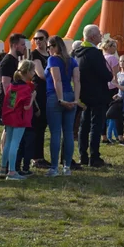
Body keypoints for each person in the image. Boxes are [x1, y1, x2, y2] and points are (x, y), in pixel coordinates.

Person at [72, 25, 113, 168]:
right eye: (99, 34)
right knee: (96, 125)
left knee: (84, 124)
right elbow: (105, 74)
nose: (101, 36)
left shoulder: (77, 52)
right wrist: (110, 74)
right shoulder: (94, 53)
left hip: (84, 93)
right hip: (97, 94)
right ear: (93, 37)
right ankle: (94, 157)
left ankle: (83, 155)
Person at [44, 36, 79, 177]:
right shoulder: (73, 61)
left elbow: (56, 80)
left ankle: (54, 168)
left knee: (56, 133)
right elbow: (76, 80)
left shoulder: (52, 59)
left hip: (55, 97)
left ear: (56, 46)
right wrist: (76, 99)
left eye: (50, 46)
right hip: (71, 95)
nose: (49, 49)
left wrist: (60, 99)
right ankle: (67, 167)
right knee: (69, 133)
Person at [0, 59, 35, 180]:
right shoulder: (26, 89)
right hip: (20, 118)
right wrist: (33, 97)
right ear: (28, 72)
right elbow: (26, 106)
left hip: (10, 116)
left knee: (8, 143)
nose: (34, 73)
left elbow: (11, 102)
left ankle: (3, 168)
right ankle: (12, 171)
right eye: (33, 71)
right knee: (15, 143)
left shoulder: (12, 85)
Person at [29, 29, 51, 169]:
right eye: (36, 38)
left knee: (43, 125)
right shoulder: (35, 54)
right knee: (37, 124)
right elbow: (41, 74)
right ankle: (36, 157)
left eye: (41, 38)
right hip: (39, 92)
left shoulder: (49, 54)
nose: (38, 41)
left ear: (46, 39)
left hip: (48, 91)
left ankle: (40, 156)